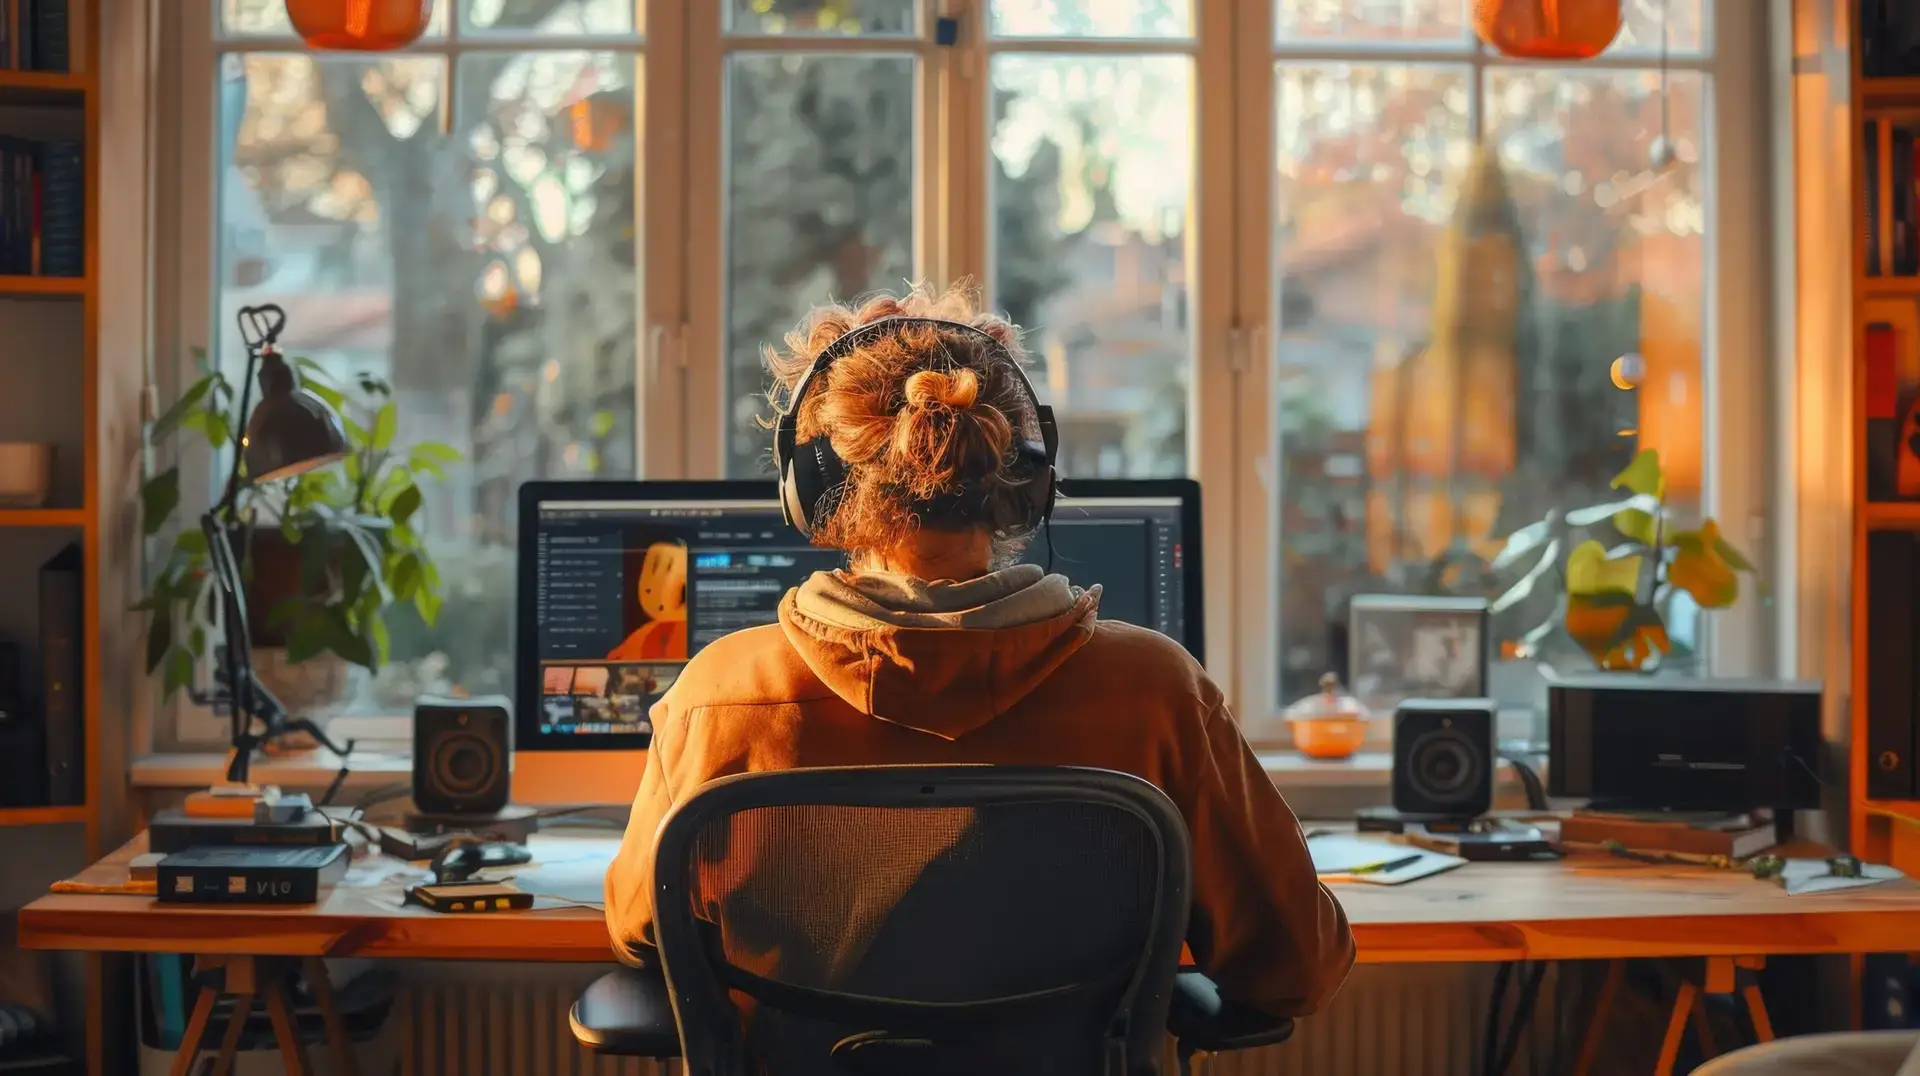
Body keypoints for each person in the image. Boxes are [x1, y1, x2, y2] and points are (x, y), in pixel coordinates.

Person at [605, 283, 1354, 1020]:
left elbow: (642, 929)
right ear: (1027, 478)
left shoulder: (722, 695)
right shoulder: (1158, 691)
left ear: (813, 483)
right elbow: (1295, 966)